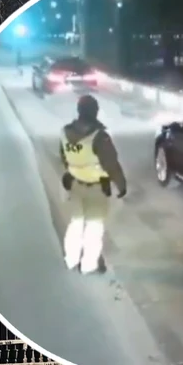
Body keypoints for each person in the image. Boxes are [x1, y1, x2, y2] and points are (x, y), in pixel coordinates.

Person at [60, 95, 127, 274]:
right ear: (94, 112)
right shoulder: (99, 137)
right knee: (94, 228)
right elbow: (111, 164)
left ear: (79, 111)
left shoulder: (65, 132)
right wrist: (121, 185)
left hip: (74, 185)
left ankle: (71, 259)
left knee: (75, 224)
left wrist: (74, 171)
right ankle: (89, 264)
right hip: (96, 188)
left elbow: (65, 158)